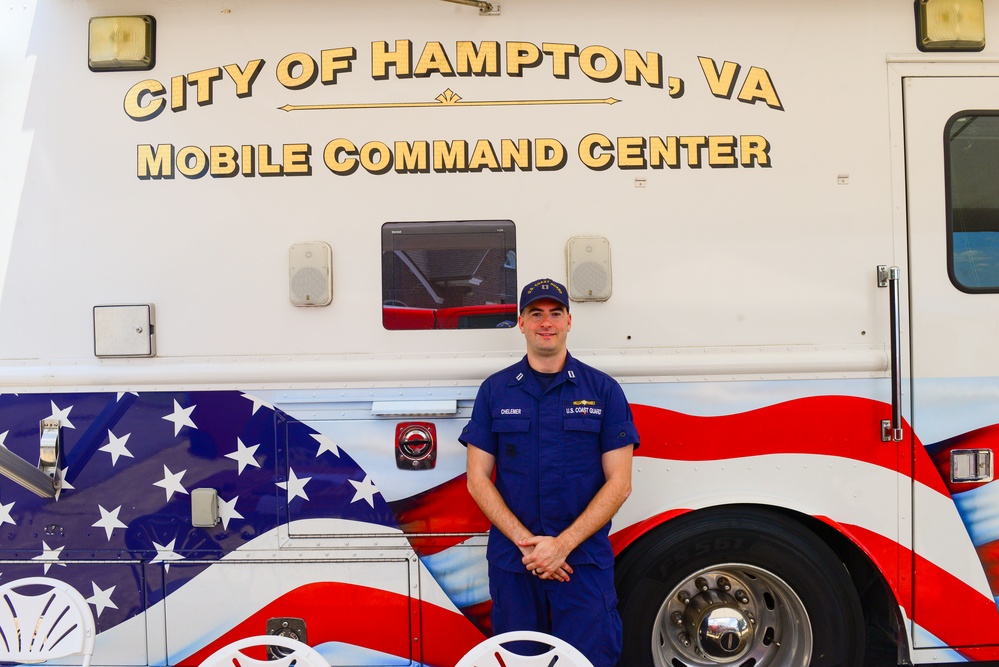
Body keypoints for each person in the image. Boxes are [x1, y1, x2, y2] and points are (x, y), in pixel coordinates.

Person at [459, 277, 639, 667]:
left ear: (569, 321)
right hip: (516, 563)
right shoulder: (495, 391)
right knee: (519, 662)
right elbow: (477, 479)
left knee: (589, 660)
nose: (546, 322)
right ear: (520, 323)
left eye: (555, 313)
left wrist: (561, 546)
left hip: (582, 563)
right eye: (535, 313)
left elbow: (620, 483)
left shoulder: (604, 390)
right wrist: (529, 545)